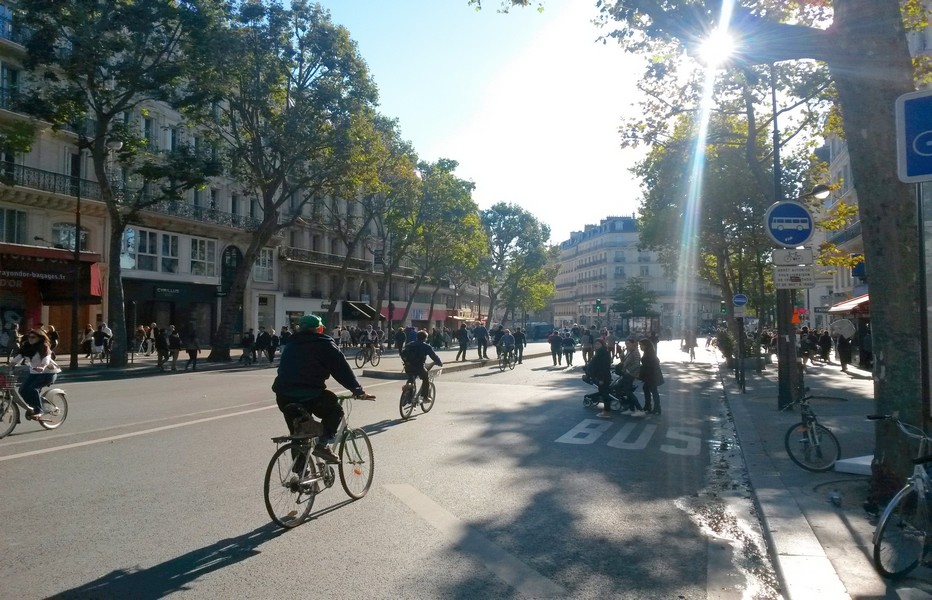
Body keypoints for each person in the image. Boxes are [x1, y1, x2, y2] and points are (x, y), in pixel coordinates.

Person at [272, 314, 374, 464]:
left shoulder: (290, 344)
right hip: (310, 394)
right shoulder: (324, 343)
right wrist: (358, 390)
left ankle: (300, 475)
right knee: (335, 410)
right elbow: (342, 370)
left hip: (284, 396)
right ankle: (323, 444)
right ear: (319, 329)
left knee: (298, 434)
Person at [11, 329, 61, 420]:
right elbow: (18, 358)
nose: (30, 339)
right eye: (29, 337)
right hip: (34, 373)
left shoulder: (44, 346)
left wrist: (42, 366)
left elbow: (46, 358)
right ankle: (34, 406)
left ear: (40, 338)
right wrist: (9, 366)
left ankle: (39, 411)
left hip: (48, 373)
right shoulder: (26, 347)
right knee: (22, 390)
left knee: (32, 388)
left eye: (33, 337)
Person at [401, 329, 444, 402]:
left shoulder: (409, 344)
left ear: (417, 337)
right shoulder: (426, 346)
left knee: (411, 378)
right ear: (425, 338)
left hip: (408, 366)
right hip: (419, 367)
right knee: (425, 378)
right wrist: (439, 362)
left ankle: (408, 394)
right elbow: (434, 356)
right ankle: (425, 397)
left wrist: (406, 361)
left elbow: (402, 354)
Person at [616, 336, 643, 412]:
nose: (627, 345)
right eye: (626, 343)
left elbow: (636, 364)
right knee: (625, 391)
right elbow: (624, 361)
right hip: (626, 374)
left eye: (629, 344)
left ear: (633, 344)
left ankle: (639, 409)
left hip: (631, 374)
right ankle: (631, 408)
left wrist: (628, 370)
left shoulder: (635, 352)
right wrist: (621, 354)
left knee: (627, 391)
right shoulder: (629, 351)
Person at [639, 338, 664, 415]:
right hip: (651, 376)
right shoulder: (649, 353)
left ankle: (655, 407)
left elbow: (649, 366)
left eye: (641, 345)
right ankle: (650, 406)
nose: (640, 347)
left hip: (651, 376)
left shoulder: (649, 354)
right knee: (649, 389)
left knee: (653, 391)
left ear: (646, 346)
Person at [590, 340, 614, 419]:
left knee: (605, 394)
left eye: (598, 344)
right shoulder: (599, 352)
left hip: (603, 377)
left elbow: (604, 367)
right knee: (603, 393)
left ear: (602, 345)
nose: (596, 345)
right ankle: (606, 410)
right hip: (600, 376)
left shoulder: (603, 353)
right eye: (595, 344)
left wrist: (601, 378)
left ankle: (606, 411)